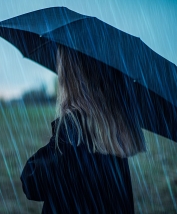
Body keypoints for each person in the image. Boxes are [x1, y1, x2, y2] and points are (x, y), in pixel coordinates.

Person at [20, 45, 147, 214]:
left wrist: (56, 143)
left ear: (70, 78)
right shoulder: (115, 127)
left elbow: (32, 183)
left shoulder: (73, 130)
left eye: (60, 65)